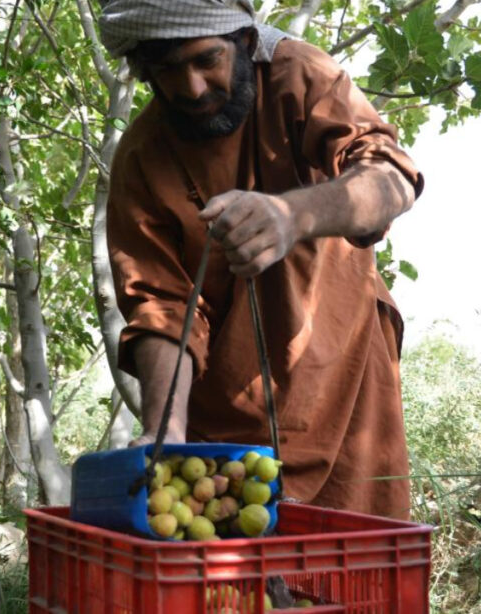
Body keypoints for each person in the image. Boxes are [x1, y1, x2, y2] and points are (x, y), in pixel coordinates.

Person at [98, 0, 424, 519]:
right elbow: (160, 307)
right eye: (166, 69)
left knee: (351, 549)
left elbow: (390, 178)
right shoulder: (142, 157)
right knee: (227, 572)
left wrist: (292, 216)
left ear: (245, 43)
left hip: (346, 368)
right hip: (220, 413)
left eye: (207, 59)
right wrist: (168, 431)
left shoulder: (301, 75)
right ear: (143, 71)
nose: (192, 88)